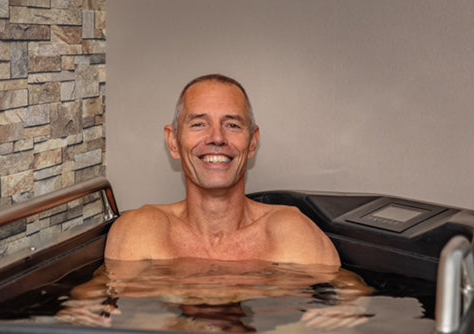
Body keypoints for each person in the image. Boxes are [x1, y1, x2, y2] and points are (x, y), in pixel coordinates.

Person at [105, 74, 340, 266]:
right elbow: (101, 313)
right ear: (173, 142)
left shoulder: (291, 234)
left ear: (253, 142)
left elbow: (348, 307)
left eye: (232, 125)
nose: (217, 137)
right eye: (199, 124)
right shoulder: (142, 231)